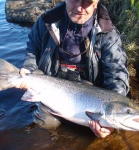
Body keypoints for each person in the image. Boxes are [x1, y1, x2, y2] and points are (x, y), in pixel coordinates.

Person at [14, 0, 129, 138]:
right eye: (75, 0)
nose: (80, 7)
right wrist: (29, 68)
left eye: (87, 1)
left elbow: (117, 75)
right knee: (47, 124)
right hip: (52, 88)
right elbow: (33, 47)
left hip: (91, 96)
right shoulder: (46, 21)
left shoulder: (109, 34)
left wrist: (111, 123)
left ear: (96, 3)